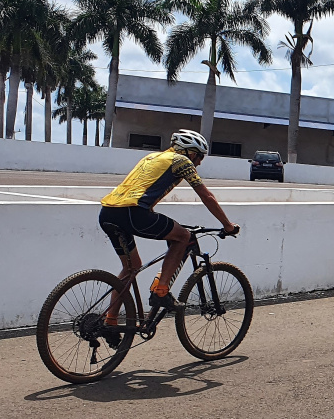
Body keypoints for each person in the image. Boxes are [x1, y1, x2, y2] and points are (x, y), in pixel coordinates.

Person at [98, 129, 239, 324]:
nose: (199, 162)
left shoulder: (152, 157)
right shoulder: (182, 161)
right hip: (133, 213)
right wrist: (228, 225)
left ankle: (110, 321)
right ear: (190, 152)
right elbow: (206, 196)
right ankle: (161, 291)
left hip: (108, 212)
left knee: (131, 268)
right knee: (183, 237)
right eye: (199, 157)